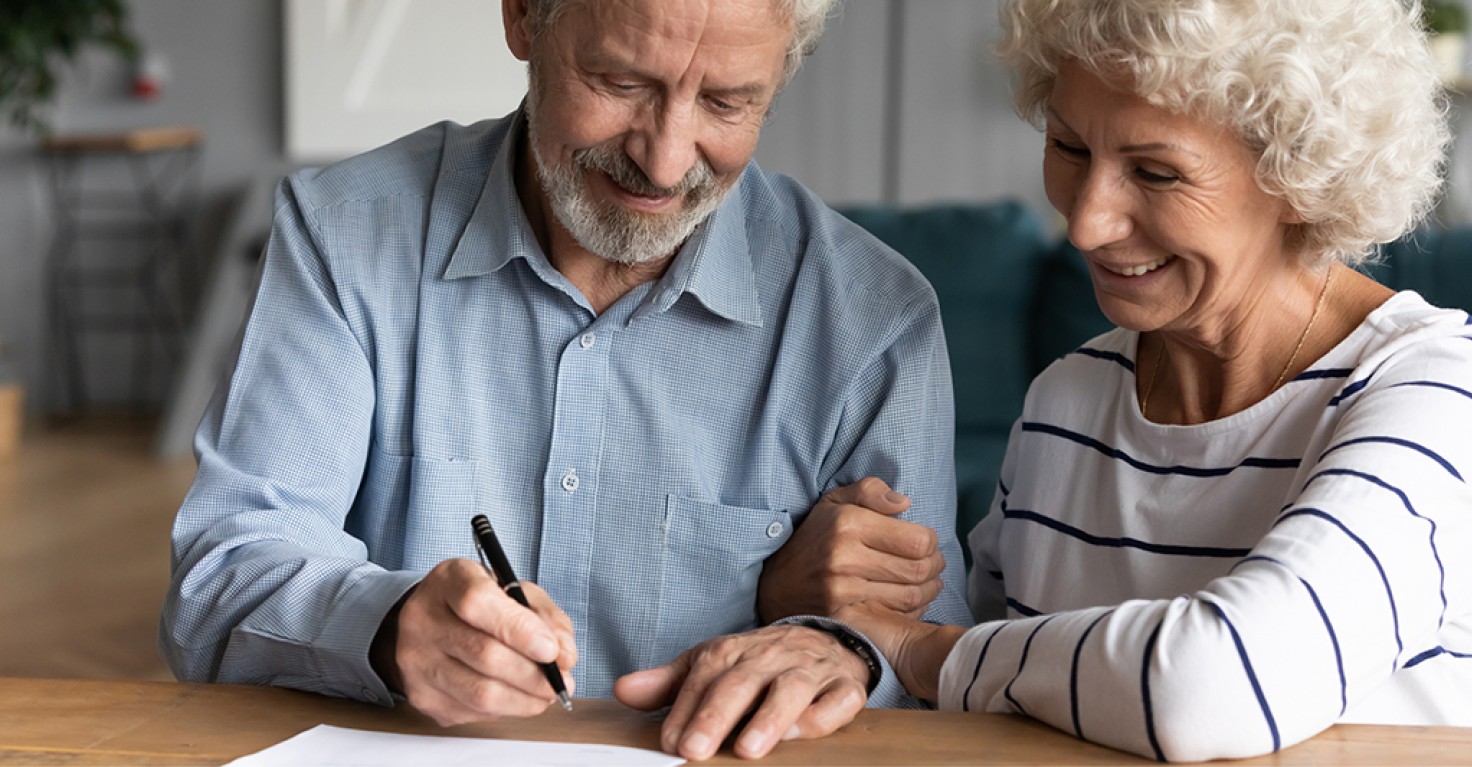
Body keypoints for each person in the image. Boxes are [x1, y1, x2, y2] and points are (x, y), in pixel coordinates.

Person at [158, 0, 971, 760]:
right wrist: (385, 629)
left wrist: (840, 644)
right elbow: (223, 578)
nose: (664, 156)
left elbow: (933, 654)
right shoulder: (342, 235)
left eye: (726, 103)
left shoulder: (874, 322)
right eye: (621, 83)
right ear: (523, 17)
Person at [820, 0, 1472, 761]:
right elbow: (998, 688)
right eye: (1067, 146)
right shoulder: (1068, 402)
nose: (1087, 222)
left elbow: (1219, 685)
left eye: (1155, 172)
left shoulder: (1448, 391)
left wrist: (920, 646)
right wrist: (845, 593)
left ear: (1299, 170)